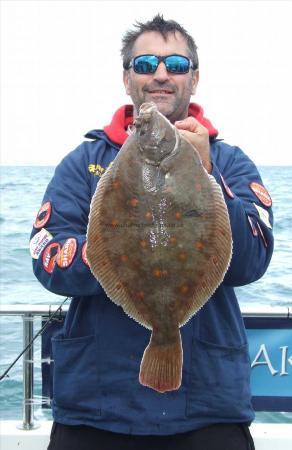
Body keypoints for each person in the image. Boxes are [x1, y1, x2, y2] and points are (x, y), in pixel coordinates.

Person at [30, 14, 273, 450]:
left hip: (207, 407)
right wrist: (115, 248)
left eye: (176, 64)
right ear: (127, 78)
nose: (161, 74)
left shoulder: (230, 163)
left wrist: (206, 172)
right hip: (96, 404)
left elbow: (253, 259)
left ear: (194, 79)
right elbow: (47, 259)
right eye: (145, 63)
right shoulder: (83, 163)